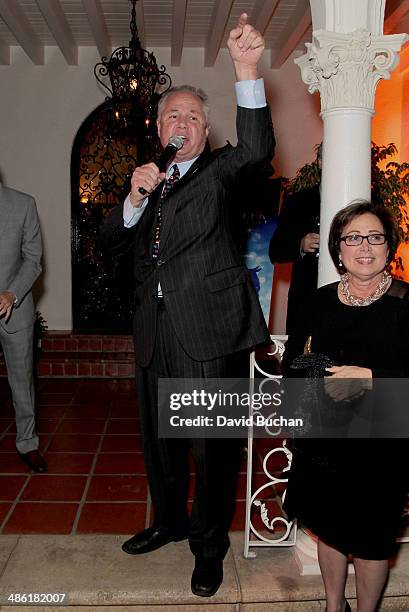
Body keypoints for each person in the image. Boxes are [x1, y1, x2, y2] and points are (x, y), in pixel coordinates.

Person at [100, 13, 275, 598]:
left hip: (209, 330)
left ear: (205, 129)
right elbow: (108, 241)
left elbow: (257, 148)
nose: (183, 122)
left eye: (193, 116)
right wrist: (131, 196)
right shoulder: (147, 180)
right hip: (154, 332)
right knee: (162, 442)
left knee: (211, 445)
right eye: (173, 113)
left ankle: (208, 546)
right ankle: (171, 521)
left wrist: (246, 69)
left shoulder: (222, 170)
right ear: (158, 124)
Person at [282, 200, 409, 612]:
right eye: (353, 238)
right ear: (338, 249)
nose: (365, 247)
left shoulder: (406, 304)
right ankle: (334, 606)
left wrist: (373, 377)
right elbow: (293, 365)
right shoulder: (316, 302)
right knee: (329, 529)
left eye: (375, 237)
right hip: (325, 442)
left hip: (382, 444)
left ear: (389, 246)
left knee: (372, 541)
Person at [0, 184, 47, 473]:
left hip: (14, 309)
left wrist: (11, 294)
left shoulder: (23, 204)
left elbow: (33, 260)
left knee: (22, 383)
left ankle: (28, 444)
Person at [269, 184, 320, 332]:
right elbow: (276, 250)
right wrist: (300, 244)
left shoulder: (367, 199)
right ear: (320, 162)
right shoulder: (299, 201)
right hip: (306, 300)